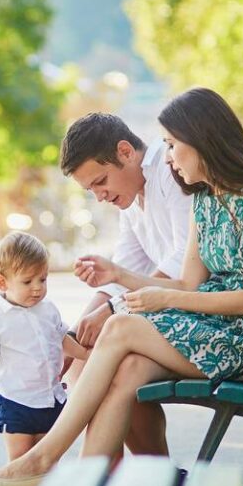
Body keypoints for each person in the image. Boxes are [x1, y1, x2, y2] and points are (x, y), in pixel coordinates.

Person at [0, 87, 243, 486]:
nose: (166, 156)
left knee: (120, 330)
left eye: (172, 145)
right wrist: (120, 279)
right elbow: (186, 283)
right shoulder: (205, 202)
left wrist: (145, 302)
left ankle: (46, 460)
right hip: (215, 329)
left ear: (204, 140)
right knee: (125, 369)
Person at [60, 113, 193, 457]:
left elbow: (183, 260)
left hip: (194, 308)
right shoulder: (131, 198)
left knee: (117, 359)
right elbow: (123, 271)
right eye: (91, 190)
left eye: (101, 181)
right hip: (166, 310)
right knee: (79, 357)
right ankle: (120, 473)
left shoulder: (171, 171)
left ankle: (143, 474)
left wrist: (110, 311)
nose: (100, 197)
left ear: (125, 152)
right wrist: (72, 336)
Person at [0, 231, 89, 486]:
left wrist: (91, 354)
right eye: (27, 281)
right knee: (21, 460)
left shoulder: (48, 309)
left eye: (43, 280)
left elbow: (63, 339)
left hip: (49, 397)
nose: (37, 289)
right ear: (2, 282)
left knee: (46, 460)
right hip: (16, 400)